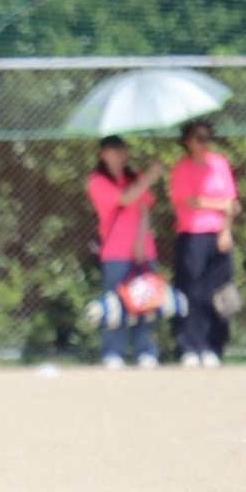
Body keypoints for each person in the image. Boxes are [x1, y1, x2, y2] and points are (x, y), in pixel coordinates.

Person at [169, 119, 240, 367]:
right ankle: (190, 345)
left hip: (218, 235)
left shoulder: (220, 164)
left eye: (208, 137)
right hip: (193, 236)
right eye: (199, 138)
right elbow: (189, 201)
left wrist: (226, 231)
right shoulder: (182, 169)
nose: (205, 143)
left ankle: (213, 345)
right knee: (193, 291)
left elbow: (231, 202)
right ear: (188, 141)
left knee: (218, 292)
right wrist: (219, 204)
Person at [87, 136, 162, 369]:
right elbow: (126, 198)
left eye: (123, 150)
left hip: (142, 251)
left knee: (146, 303)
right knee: (115, 305)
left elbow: (144, 209)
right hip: (115, 252)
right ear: (103, 154)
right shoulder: (97, 181)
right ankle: (113, 352)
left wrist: (141, 242)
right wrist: (151, 175)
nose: (121, 154)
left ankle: (146, 351)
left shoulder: (135, 178)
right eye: (114, 150)